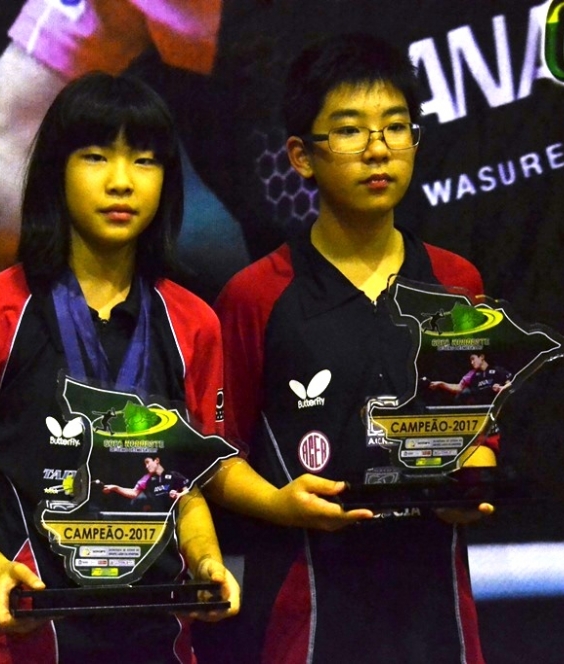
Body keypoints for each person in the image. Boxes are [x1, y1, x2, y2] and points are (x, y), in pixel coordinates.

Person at [0, 72, 239, 662]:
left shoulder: (196, 324)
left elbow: (185, 486)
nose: (121, 181)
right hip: (28, 636)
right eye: (95, 157)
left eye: (144, 161)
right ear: (56, 172)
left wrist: (206, 558)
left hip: (158, 638)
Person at [203, 35, 493, 664]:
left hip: (435, 622)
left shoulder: (457, 284)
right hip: (306, 621)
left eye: (395, 126)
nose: (377, 148)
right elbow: (215, 459)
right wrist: (279, 504)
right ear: (301, 156)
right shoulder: (255, 296)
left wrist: (471, 485)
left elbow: (479, 435)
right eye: (350, 130)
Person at [105, 455, 190, 511]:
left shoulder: (173, 475)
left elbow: (188, 490)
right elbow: (134, 493)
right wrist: (115, 488)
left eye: (148, 462)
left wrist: (179, 495)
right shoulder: (146, 479)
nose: (146, 466)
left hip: (174, 515)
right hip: (157, 518)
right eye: (145, 464)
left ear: (156, 460)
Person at [429, 352, 513, 405]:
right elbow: (458, 388)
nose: (472, 362)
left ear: (481, 357)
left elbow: (511, 383)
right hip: (480, 410)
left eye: (473, 359)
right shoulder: (471, 374)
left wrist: (502, 388)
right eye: (470, 361)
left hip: (497, 408)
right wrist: (441, 384)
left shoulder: (497, 370)